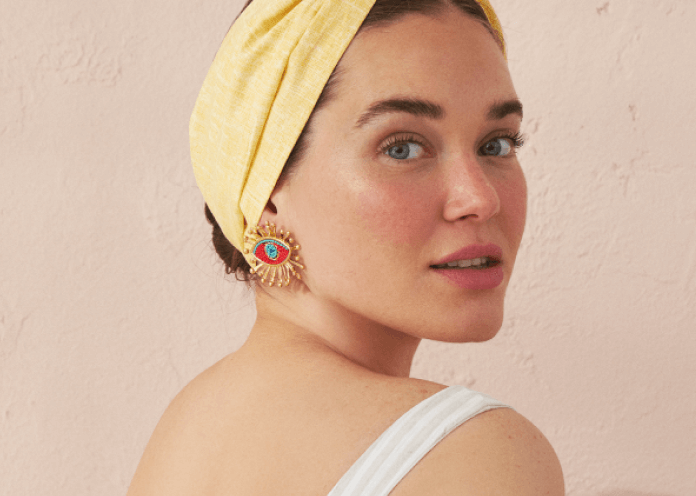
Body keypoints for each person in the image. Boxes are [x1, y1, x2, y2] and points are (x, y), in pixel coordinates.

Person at [127, 0, 565, 494]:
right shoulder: (470, 450)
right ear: (266, 194)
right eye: (402, 148)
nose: (480, 199)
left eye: (497, 144)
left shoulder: (190, 426)